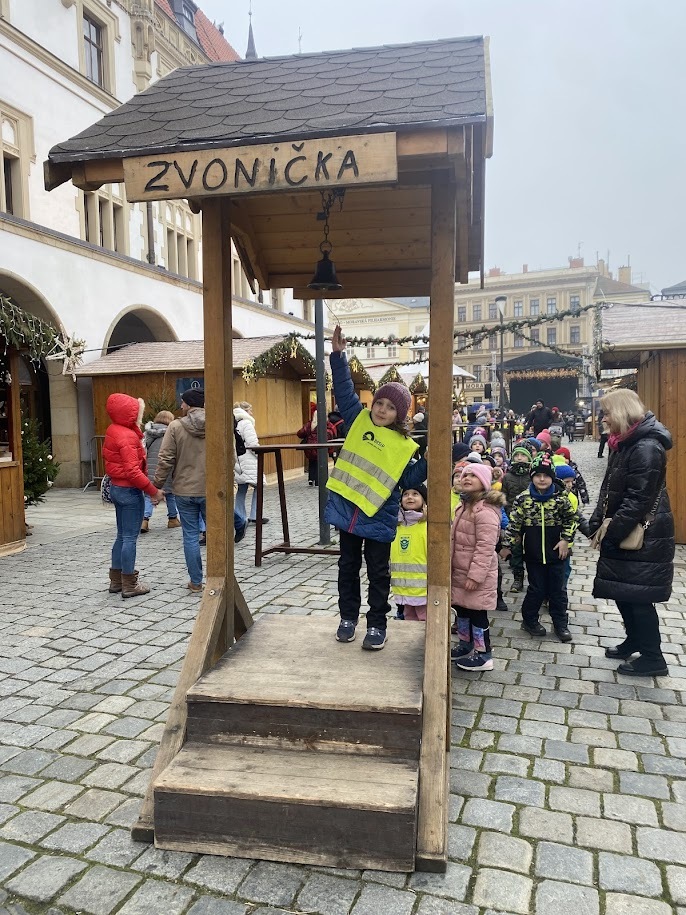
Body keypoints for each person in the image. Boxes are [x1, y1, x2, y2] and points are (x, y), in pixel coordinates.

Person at [325, 326, 427, 651]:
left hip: (379, 517)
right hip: (349, 513)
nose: (381, 409)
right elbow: (344, 391)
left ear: (400, 414)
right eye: (379, 402)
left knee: (379, 573)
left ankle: (377, 625)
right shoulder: (358, 420)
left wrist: (432, 458)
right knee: (347, 568)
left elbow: (410, 480)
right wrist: (338, 356)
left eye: (390, 407)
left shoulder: (403, 445)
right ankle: (347, 618)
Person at [588, 390, 673, 677]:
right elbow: (609, 490)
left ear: (622, 412)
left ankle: (653, 658)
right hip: (625, 529)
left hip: (642, 535)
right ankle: (634, 640)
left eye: (607, 412)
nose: (603, 418)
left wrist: (612, 533)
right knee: (625, 592)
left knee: (638, 597)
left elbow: (638, 500)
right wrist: (597, 521)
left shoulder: (646, 447)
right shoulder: (624, 443)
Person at [501, 452, 577, 642]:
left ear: (552, 477)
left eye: (546, 475)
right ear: (532, 477)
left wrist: (566, 539)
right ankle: (529, 620)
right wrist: (507, 545)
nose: (542, 479)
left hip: (557, 553)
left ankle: (560, 624)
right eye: (538, 475)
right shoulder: (523, 499)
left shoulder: (561, 498)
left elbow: (571, 519)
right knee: (536, 589)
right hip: (533, 553)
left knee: (558, 591)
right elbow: (514, 524)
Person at [102, 393, 165, 599]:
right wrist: (153, 491)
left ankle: (116, 581)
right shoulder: (127, 436)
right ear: (130, 414)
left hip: (117, 488)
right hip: (129, 491)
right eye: (138, 412)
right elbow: (133, 471)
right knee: (129, 538)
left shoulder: (114, 429)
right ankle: (129, 584)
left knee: (121, 536)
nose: (141, 416)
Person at [450, 463, 505, 671]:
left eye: (473, 476)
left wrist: (475, 576)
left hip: (475, 575)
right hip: (460, 571)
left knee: (478, 614)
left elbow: (485, 547)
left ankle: (484, 655)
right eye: (465, 475)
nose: (467, 478)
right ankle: (466, 644)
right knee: (462, 610)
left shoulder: (485, 510)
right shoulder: (463, 506)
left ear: (483, 482)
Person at [154, 389, 206, 592]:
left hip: (184, 490)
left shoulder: (175, 426)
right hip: (212, 489)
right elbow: (230, 455)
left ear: (189, 404)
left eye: (183, 402)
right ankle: (219, 579)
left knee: (190, 536)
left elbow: (165, 458)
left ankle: (196, 582)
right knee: (218, 535)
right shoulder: (217, 423)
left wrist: (157, 486)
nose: (181, 406)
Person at [391, 485, 428, 622]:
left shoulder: (428, 526)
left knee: (424, 619)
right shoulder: (397, 526)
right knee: (409, 619)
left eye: (415, 494)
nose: (410, 497)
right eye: (406, 494)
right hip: (402, 587)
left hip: (424, 589)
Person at [141, 411, 180, 533]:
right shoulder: (171, 433)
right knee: (170, 494)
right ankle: (172, 519)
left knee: (149, 494)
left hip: (149, 469)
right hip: (166, 469)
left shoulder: (147, 434)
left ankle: (144, 520)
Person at [501, 444, 533, 592]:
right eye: (517, 455)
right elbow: (504, 497)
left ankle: (534, 578)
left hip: (531, 519)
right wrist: (508, 513)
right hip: (513, 518)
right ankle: (517, 577)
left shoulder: (532, 475)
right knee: (516, 549)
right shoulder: (507, 476)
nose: (519, 458)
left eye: (523, 455)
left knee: (532, 549)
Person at [233, 401, 268, 525]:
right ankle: (256, 515)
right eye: (250, 410)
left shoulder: (233, 422)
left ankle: (239, 516)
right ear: (245, 411)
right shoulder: (247, 423)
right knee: (259, 486)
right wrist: (259, 455)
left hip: (237, 460)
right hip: (249, 460)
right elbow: (252, 443)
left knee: (242, 488)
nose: (251, 413)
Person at [297, 403, 335, 486]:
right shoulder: (327, 425)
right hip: (322, 447)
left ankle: (311, 479)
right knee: (320, 462)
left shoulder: (310, 424)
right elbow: (332, 434)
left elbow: (300, 433)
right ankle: (318, 480)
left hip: (310, 447)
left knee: (312, 462)